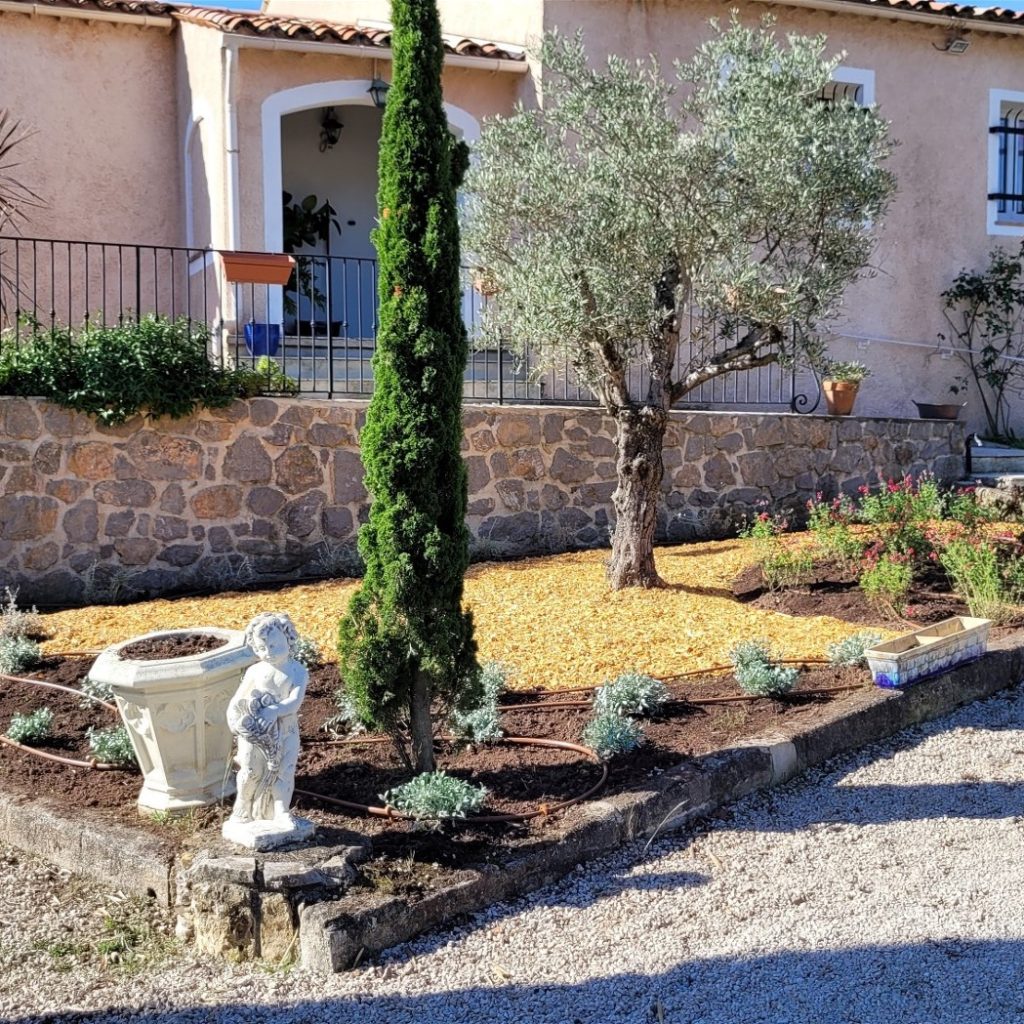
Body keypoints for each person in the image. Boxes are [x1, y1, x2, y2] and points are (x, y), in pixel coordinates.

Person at [225, 611, 308, 830]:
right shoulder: (255, 671)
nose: (268, 653)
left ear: (288, 638)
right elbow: (239, 698)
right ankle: (243, 807)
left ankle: (280, 811)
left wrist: (274, 710)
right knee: (251, 770)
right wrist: (234, 716)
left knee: (285, 770)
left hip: (286, 730)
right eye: (261, 648)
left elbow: (294, 702)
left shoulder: (297, 671)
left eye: (273, 646)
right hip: (255, 732)